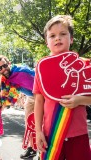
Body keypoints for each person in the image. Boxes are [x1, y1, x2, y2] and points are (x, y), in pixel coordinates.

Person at [33, 15, 91, 160]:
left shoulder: (85, 65)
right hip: (51, 135)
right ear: (47, 42)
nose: (57, 38)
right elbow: (39, 101)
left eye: (63, 34)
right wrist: (38, 131)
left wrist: (81, 100)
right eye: (52, 36)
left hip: (78, 135)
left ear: (71, 39)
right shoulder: (42, 68)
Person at [0, 55, 37, 159]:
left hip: (41, 95)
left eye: (4, 66)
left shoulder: (21, 72)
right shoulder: (5, 79)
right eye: (0, 68)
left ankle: (44, 152)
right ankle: (32, 148)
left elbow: (39, 77)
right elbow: (6, 97)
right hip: (31, 96)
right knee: (29, 123)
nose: (3, 69)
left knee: (43, 124)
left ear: (9, 63)